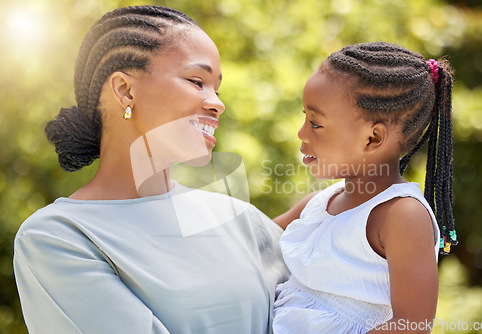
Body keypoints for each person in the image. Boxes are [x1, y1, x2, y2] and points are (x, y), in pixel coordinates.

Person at [13, 6, 290, 334]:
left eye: (216, 88)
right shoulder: (57, 238)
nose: (217, 102)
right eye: (197, 81)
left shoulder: (238, 218)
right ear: (125, 90)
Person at [273, 42, 457, 334]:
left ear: (373, 138)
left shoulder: (402, 215)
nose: (301, 132)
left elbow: (412, 325)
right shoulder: (320, 203)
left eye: (315, 123)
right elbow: (255, 238)